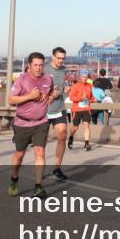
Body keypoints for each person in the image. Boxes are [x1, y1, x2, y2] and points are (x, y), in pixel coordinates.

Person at [7, 52, 59, 198]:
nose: (38, 68)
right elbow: (11, 100)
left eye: (41, 65)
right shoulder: (21, 80)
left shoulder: (48, 79)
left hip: (41, 122)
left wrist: (52, 97)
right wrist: (29, 96)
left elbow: (48, 97)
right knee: (19, 155)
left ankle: (38, 187)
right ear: (29, 65)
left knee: (40, 152)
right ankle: (14, 179)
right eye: (35, 65)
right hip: (22, 123)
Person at [44, 47, 71, 179]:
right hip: (44, 109)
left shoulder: (64, 70)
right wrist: (49, 94)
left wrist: (66, 91)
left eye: (63, 58)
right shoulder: (44, 69)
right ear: (53, 57)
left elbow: (62, 88)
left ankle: (57, 168)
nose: (61, 61)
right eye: (59, 58)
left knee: (62, 136)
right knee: (42, 141)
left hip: (59, 108)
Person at [68, 72, 94, 151]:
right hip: (77, 109)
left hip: (86, 109)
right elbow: (71, 98)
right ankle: (71, 136)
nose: (84, 78)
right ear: (80, 77)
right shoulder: (75, 86)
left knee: (87, 125)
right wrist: (81, 99)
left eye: (86, 77)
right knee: (75, 127)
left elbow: (91, 97)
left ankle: (86, 143)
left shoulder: (90, 86)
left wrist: (93, 99)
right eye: (83, 76)